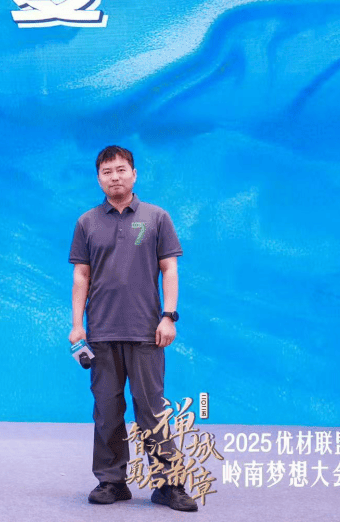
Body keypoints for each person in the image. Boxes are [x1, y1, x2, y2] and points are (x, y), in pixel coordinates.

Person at [68, 145, 199, 513]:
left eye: (121, 169)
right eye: (107, 171)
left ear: (134, 173)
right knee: (106, 410)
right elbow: (81, 276)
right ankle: (111, 481)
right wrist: (77, 325)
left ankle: (168, 484)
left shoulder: (156, 217)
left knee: (151, 409)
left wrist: (168, 315)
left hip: (146, 332)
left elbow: (169, 269)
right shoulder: (87, 222)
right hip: (101, 333)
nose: (115, 177)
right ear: (99, 178)